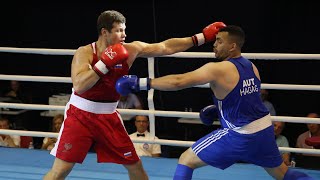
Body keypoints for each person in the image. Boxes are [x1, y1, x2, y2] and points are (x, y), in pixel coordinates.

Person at [43, 10, 226, 180]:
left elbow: (165, 47)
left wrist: (200, 38)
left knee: (135, 166)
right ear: (104, 32)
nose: (124, 35)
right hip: (80, 116)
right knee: (61, 171)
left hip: (108, 117)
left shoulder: (130, 50)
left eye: (125, 30)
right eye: (119, 31)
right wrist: (104, 64)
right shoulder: (85, 52)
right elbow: (80, 85)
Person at [116, 25, 315, 179]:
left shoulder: (218, 69)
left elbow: (179, 81)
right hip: (263, 132)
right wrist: (218, 111)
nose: (214, 44)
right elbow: (247, 102)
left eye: (219, 41)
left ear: (232, 46)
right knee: (283, 174)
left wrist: (141, 83)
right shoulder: (252, 67)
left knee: (186, 160)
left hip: (239, 136)